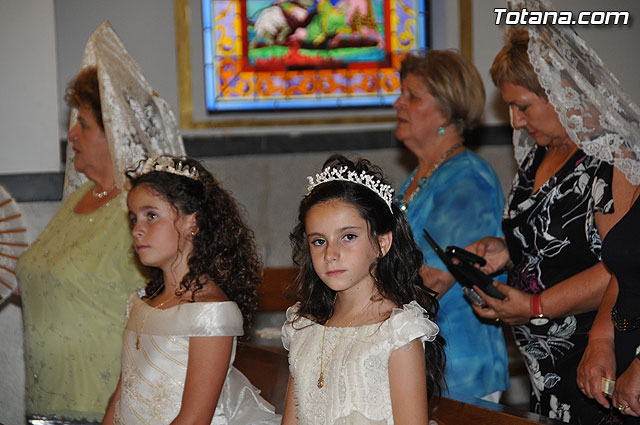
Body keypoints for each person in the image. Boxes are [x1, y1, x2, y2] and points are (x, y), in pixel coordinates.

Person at [467, 21, 636, 424]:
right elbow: (555, 235)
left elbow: (621, 268)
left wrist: (535, 307)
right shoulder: (538, 153)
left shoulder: (613, 159)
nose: (515, 122)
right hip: (544, 368)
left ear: (562, 91)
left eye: (522, 106)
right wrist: (507, 251)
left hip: (592, 357)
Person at [16, 22, 185, 424]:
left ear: (115, 132)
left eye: (84, 124)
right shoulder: (78, 198)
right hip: (46, 402)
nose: (71, 134)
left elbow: (166, 297)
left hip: (103, 405)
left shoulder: (135, 209)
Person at [102, 156, 280, 425]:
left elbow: (194, 419)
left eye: (151, 216)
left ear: (192, 223)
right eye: (133, 218)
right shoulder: (141, 302)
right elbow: (120, 397)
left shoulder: (210, 313)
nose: (137, 230)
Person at [281, 154, 445, 424]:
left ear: (382, 243)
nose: (330, 254)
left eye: (348, 237)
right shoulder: (304, 327)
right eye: (319, 241)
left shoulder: (397, 331)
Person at [392, 50, 509, 401]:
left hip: (460, 367)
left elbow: (432, 281)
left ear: (445, 111)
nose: (398, 103)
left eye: (413, 96)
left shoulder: (467, 179)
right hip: (423, 362)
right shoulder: (419, 176)